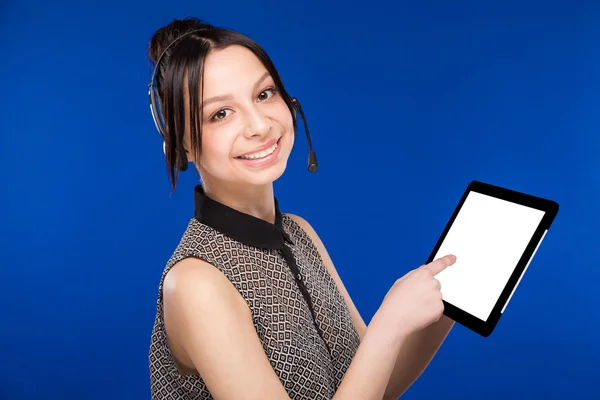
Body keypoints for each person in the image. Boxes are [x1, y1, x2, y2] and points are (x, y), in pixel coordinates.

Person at [147, 17, 457, 400]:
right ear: (183, 147)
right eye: (220, 114)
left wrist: (453, 299)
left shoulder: (299, 232)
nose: (259, 125)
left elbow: (374, 387)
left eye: (264, 94)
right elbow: (381, 348)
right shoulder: (196, 282)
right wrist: (389, 323)